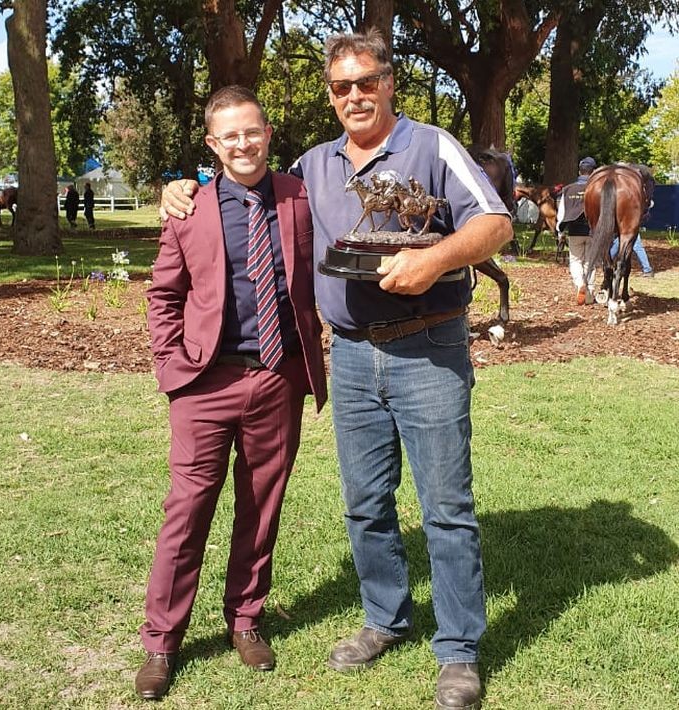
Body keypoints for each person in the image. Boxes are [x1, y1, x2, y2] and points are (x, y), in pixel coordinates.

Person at [162, 30, 511, 710]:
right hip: (349, 356)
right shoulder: (313, 166)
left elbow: (495, 222)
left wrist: (433, 260)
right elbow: (245, 184)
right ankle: (385, 617)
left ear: (388, 83)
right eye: (341, 87)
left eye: (366, 82)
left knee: (446, 508)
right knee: (365, 503)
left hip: (428, 348)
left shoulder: (432, 145)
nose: (354, 95)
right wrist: (181, 186)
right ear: (330, 96)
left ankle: (459, 651)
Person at [134, 85, 327, 701]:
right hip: (204, 383)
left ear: (268, 133)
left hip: (276, 377)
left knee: (262, 504)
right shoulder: (189, 209)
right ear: (213, 145)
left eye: (253, 131)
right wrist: (172, 364)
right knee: (187, 510)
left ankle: (245, 618)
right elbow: (163, 295)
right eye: (230, 136)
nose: (243, 144)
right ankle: (162, 641)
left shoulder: (301, 197)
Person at [556, 156, 597, 305]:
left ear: (580, 170)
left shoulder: (568, 189)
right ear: (593, 172)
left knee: (575, 260)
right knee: (590, 262)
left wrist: (560, 232)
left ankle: (580, 284)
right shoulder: (597, 189)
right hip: (593, 231)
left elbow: (561, 213)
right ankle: (590, 294)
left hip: (574, 231)